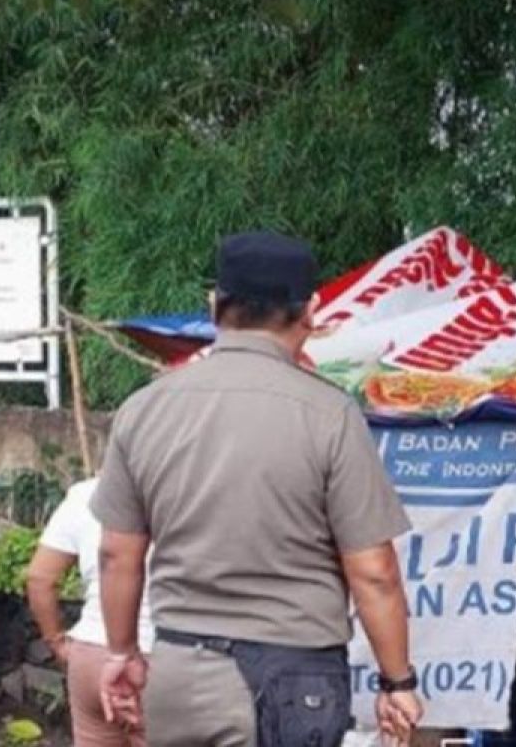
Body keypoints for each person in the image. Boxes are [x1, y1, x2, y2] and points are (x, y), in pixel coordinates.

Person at [90, 231, 424, 746]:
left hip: (178, 674)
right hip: (292, 680)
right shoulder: (329, 415)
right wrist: (397, 681)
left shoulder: (144, 408)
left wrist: (122, 652)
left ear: (213, 305)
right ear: (311, 312)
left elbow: (116, 553)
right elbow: (373, 571)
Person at [27, 478, 155, 747]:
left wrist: (57, 642)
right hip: (162, 654)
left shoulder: (84, 494)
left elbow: (40, 578)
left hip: (92, 653)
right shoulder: (193, 490)